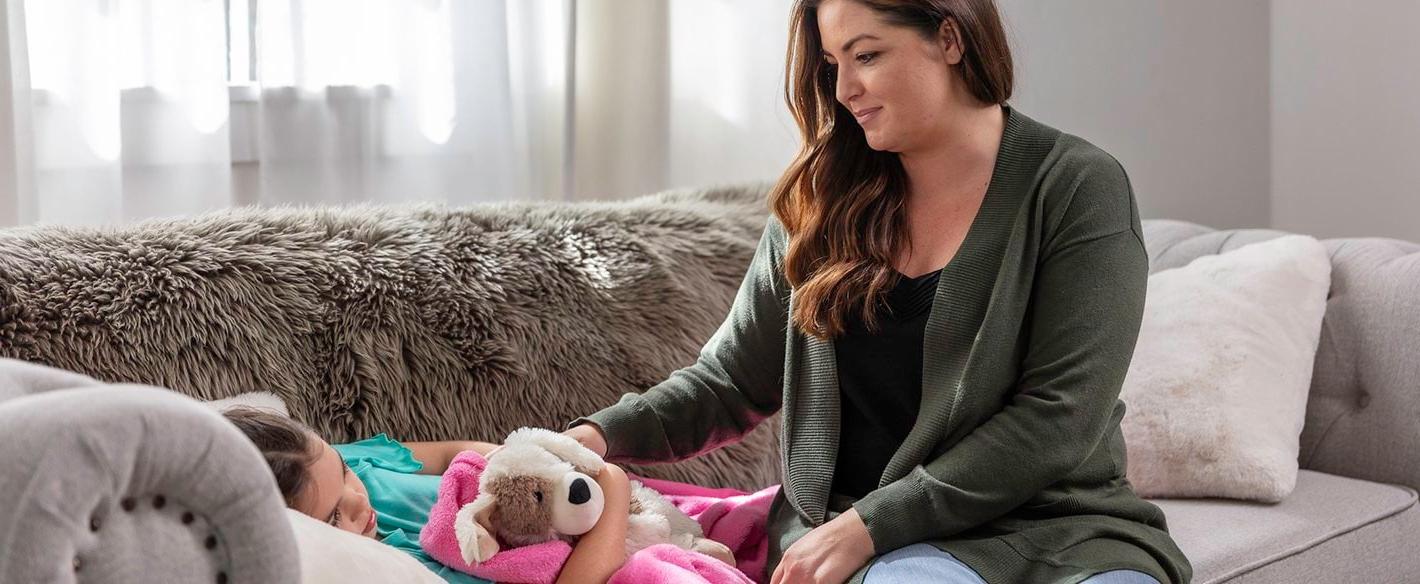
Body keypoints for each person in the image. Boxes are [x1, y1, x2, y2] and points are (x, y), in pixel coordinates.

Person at [561, 1, 1193, 583]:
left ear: (950, 37)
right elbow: (728, 383)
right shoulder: (819, 203)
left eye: (866, 55)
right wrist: (594, 436)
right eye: (833, 63)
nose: (844, 89)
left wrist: (873, 524)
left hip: (1061, 530)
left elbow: (1059, 417)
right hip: (876, 546)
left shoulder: (1077, 187)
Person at [222, 406, 634, 584]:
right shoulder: (397, 572)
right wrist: (612, 487)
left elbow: (452, 453)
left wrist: (516, 470)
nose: (357, 499)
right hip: (606, 544)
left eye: (343, 470)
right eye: (333, 517)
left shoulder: (341, 465)